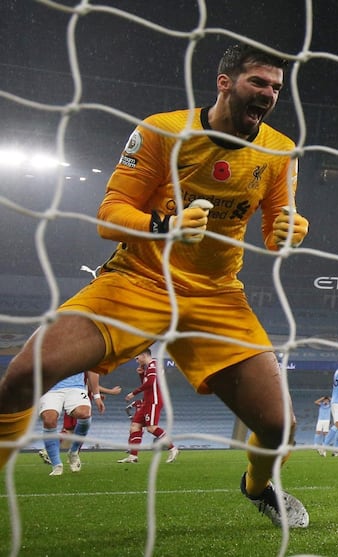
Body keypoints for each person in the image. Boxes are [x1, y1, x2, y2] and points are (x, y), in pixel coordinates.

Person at [0, 43, 310, 528]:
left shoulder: (280, 149)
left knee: (279, 427)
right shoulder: (162, 130)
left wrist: (291, 231)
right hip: (138, 281)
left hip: (216, 295)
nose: (269, 94)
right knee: (22, 376)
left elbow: (275, 231)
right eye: (259, 83)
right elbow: (109, 214)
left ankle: (257, 485)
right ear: (225, 83)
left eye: (276, 86)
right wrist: (164, 225)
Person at [117, 349, 180, 464]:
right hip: (147, 401)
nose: (136, 361)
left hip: (153, 401)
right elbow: (147, 384)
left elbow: (151, 383)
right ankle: (133, 456)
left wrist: (133, 393)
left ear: (144, 355)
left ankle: (173, 449)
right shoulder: (148, 368)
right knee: (135, 426)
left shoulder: (153, 365)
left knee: (151, 428)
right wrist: (141, 375)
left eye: (137, 358)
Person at [37, 371, 105, 475]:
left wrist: (97, 396)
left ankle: (73, 451)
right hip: (50, 389)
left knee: (85, 414)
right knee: (49, 420)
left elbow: (93, 370)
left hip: (76, 388)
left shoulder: (83, 354)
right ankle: (57, 466)